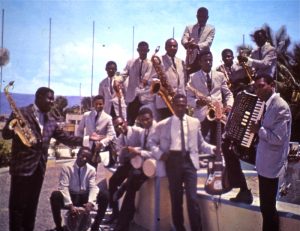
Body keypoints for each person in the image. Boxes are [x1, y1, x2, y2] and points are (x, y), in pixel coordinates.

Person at [2, 87, 99, 231]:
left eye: (53, 98)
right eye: (49, 98)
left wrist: (87, 139)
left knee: (31, 207)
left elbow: (67, 138)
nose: (52, 102)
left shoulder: (51, 121)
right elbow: (6, 135)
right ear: (38, 97)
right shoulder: (21, 113)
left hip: (38, 170)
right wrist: (12, 127)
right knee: (17, 208)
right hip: (21, 169)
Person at [148, 94, 215, 231]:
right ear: (172, 106)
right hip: (173, 162)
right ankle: (179, 228)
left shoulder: (194, 122)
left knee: (192, 198)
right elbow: (151, 142)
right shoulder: (163, 124)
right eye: (177, 105)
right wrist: (160, 155)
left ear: (186, 106)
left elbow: (201, 144)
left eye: (183, 105)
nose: (180, 108)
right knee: (176, 199)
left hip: (190, 162)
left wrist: (215, 149)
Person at [250, 74, 291, 231]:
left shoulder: (280, 106)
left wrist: (258, 130)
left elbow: (278, 138)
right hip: (264, 164)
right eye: (255, 87)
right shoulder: (267, 104)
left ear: (272, 85)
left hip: (271, 166)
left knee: (267, 209)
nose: (258, 90)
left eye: (261, 86)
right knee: (266, 208)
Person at [114, 107, 156, 231]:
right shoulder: (144, 131)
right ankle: (123, 222)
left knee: (132, 182)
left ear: (152, 118)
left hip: (156, 165)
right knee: (132, 181)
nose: (145, 122)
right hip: (146, 164)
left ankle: (122, 224)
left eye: (147, 119)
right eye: (142, 120)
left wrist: (138, 152)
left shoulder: (158, 130)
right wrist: (133, 152)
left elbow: (156, 153)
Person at [48, 147, 109, 231]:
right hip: (71, 196)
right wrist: (70, 205)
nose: (84, 159)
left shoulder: (91, 170)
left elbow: (93, 187)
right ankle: (59, 227)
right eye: (82, 156)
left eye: (87, 157)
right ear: (77, 154)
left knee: (105, 196)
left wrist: (90, 202)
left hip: (84, 197)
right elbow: (63, 186)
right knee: (55, 195)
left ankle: (95, 226)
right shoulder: (66, 167)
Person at [186, 49, 234, 145]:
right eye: (205, 60)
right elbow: (188, 98)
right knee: (203, 145)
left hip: (219, 115)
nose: (208, 62)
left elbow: (228, 94)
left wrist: (228, 106)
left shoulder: (220, 75)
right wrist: (197, 102)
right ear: (200, 62)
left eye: (210, 60)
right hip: (202, 116)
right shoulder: (192, 77)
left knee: (218, 144)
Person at [104, 116, 144, 225]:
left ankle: (126, 215)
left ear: (126, 122)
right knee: (112, 181)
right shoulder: (120, 138)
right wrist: (118, 153)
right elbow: (121, 158)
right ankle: (115, 213)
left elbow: (147, 146)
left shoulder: (138, 131)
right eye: (117, 126)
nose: (120, 127)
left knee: (130, 181)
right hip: (129, 163)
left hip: (141, 164)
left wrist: (134, 151)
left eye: (121, 124)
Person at [76, 95, 116, 169]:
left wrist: (102, 143)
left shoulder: (108, 118)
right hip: (86, 146)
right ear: (93, 104)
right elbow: (79, 131)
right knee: (79, 168)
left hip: (97, 150)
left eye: (100, 104)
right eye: (96, 104)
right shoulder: (86, 115)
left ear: (104, 104)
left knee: (92, 170)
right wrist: (83, 142)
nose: (98, 106)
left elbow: (111, 135)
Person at [152, 38, 186, 121]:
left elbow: (182, 81)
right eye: (170, 46)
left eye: (175, 46)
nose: (173, 48)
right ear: (165, 47)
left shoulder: (181, 61)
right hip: (164, 102)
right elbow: (153, 78)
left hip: (178, 102)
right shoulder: (158, 60)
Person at [123, 41, 155, 125]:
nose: (143, 52)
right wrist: (116, 79)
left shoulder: (152, 64)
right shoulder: (130, 62)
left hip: (146, 99)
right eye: (141, 50)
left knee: (145, 123)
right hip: (132, 97)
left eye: (145, 50)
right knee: (130, 122)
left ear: (148, 50)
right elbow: (123, 74)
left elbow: (152, 79)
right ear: (137, 50)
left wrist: (146, 81)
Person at [181, 7, 215, 74]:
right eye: (200, 16)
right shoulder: (189, 27)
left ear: (207, 17)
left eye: (204, 17)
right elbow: (184, 39)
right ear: (197, 16)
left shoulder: (211, 29)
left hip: (204, 60)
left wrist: (197, 46)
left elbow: (208, 42)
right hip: (191, 60)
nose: (202, 19)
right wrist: (186, 44)